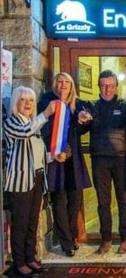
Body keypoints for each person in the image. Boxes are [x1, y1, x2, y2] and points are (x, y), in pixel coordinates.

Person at [78, 70, 126, 255]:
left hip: (121, 159)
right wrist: (81, 121)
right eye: (103, 85)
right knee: (103, 202)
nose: (107, 88)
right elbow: (81, 129)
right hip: (99, 159)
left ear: (115, 86)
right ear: (98, 86)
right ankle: (106, 239)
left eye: (110, 85)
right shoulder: (91, 106)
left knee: (124, 200)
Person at [4, 86, 56, 278]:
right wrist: (46, 114)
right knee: (21, 223)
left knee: (33, 222)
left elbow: (36, 154)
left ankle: (30, 257)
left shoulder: (33, 124)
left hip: (36, 178)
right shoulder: (12, 123)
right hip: (20, 181)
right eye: (23, 100)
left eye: (31, 100)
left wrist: (53, 156)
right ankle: (19, 263)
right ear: (15, 103)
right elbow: (25, 132)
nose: (27, 104)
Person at [38, 72, 91, 257]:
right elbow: (42, 129)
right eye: (59, 81)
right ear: (54, 84)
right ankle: (66, 242)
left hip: (73, 157)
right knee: (59, 200)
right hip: (56, 156)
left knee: (75, 200)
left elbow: (84, 129)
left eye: (66, 82)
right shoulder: (47, 101)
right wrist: (53, 152)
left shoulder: (78, 104)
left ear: (71, 86)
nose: (63, 85)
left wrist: (83, 119)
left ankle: (71, 237)